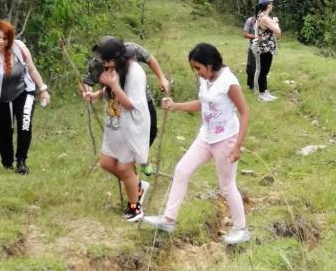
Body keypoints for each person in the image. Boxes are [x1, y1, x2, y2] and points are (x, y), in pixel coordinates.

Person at [143, 43, 250, 245]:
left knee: (227, 185)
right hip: (205, 137)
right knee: (181, 170)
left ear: (210, 65)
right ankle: (168, 220)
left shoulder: (229, 82)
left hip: (226, 139)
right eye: (195, 68)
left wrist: (237, 145)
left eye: (198, 68)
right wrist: (176, 106)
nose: (197, 72)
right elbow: (203, 103)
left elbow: (245, 112)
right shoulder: (206, 80)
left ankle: (241, 229)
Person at [82, 37, 151, 222]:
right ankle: (137, 186)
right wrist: (95, 94)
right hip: (114, 125)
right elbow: (108, 91)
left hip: (131, 127)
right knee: (106, 162)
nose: (105, 65)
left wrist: (112, 84)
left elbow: (130, 104)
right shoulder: (113, 68)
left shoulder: (135, 72)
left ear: (117, 57)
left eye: (107, 61)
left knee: (125, 167)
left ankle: (135, 208)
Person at [0, 19, 50, 174]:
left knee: (25, 123)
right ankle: (7, 162)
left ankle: (21, 161)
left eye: (4, 38)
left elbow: (31, 70)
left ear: (9, 39)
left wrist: (43, 89)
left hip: (24, 89)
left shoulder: (19, 48)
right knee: (4, 130)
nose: (0, 41)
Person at [83, 37, 170, 177]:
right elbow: (87, 81)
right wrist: (89, 93)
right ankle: (130, 169)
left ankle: (141, 157)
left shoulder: (131, 50)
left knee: (150, 130)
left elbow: (149, 58)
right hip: (118, 102)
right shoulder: (97, 62)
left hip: (140, 98)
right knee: (124, 136)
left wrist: (161, 77)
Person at [246, 0, 281, 101]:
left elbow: (276, 33)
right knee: (263, 71)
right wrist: (275, 22)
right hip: (264, 48)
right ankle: (262, 94)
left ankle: (264, 91)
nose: (272, 5)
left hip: (265, 48)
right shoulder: (265, 18)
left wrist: (273, 22)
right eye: (270, 3)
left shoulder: (261, 16)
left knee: (264, 70)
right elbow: (278, 31)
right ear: (268, 6)